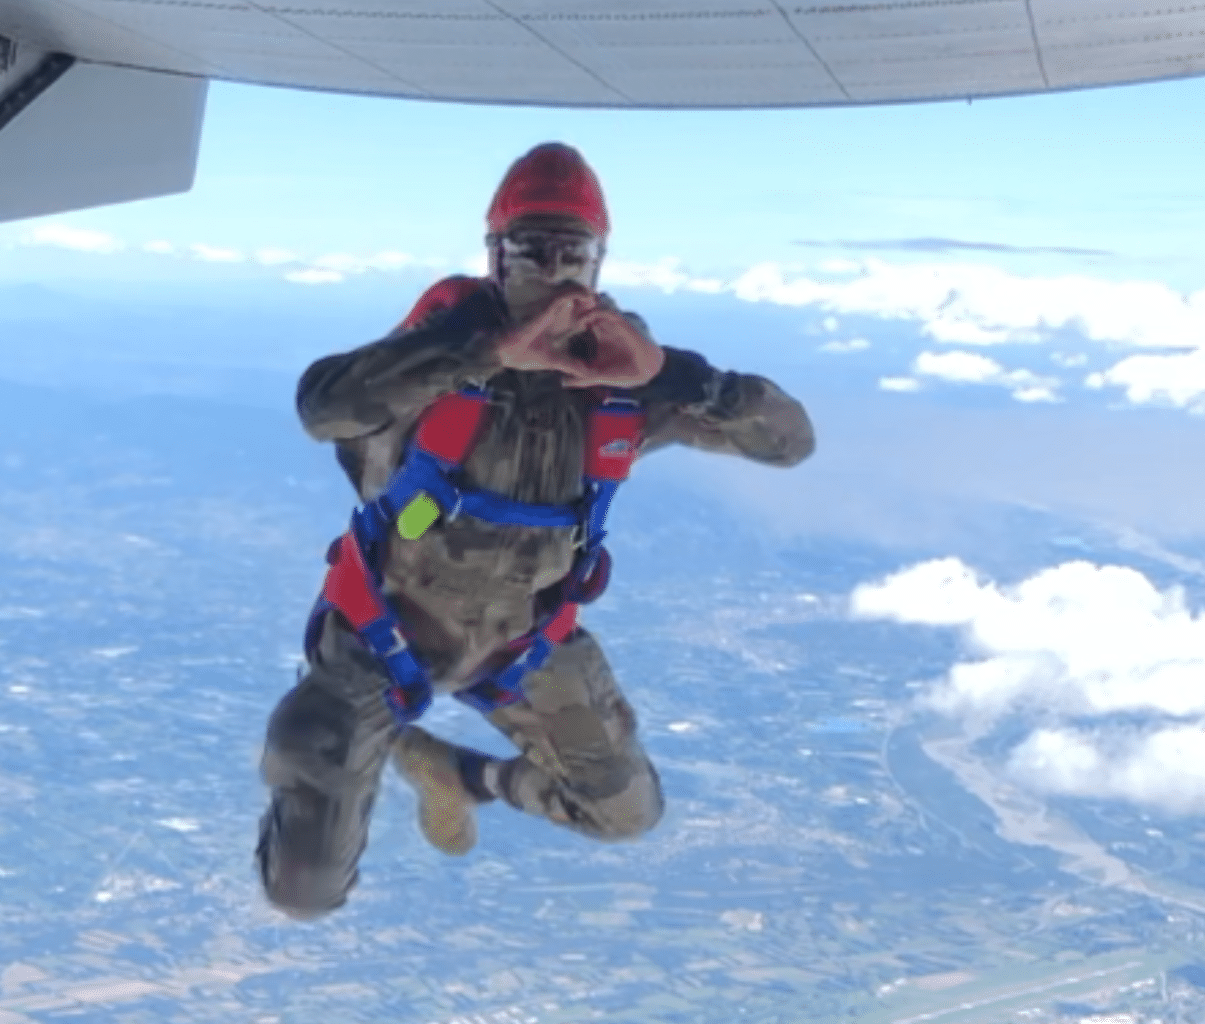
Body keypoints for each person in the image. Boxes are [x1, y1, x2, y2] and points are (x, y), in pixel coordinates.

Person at [256, 142, 815, 920]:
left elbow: (789, 442)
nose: (551, 271)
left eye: (572, 252)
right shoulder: (437, 354)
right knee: (303, 888)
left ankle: (449, 771)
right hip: (382, 636)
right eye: (529, 249)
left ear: (597, 265)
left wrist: (676, 378)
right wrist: (482, 350)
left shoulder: (619, 382)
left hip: (526, 644)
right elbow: (325, 408)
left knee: (625, 814)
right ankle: (362, 761)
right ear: (494, 257)